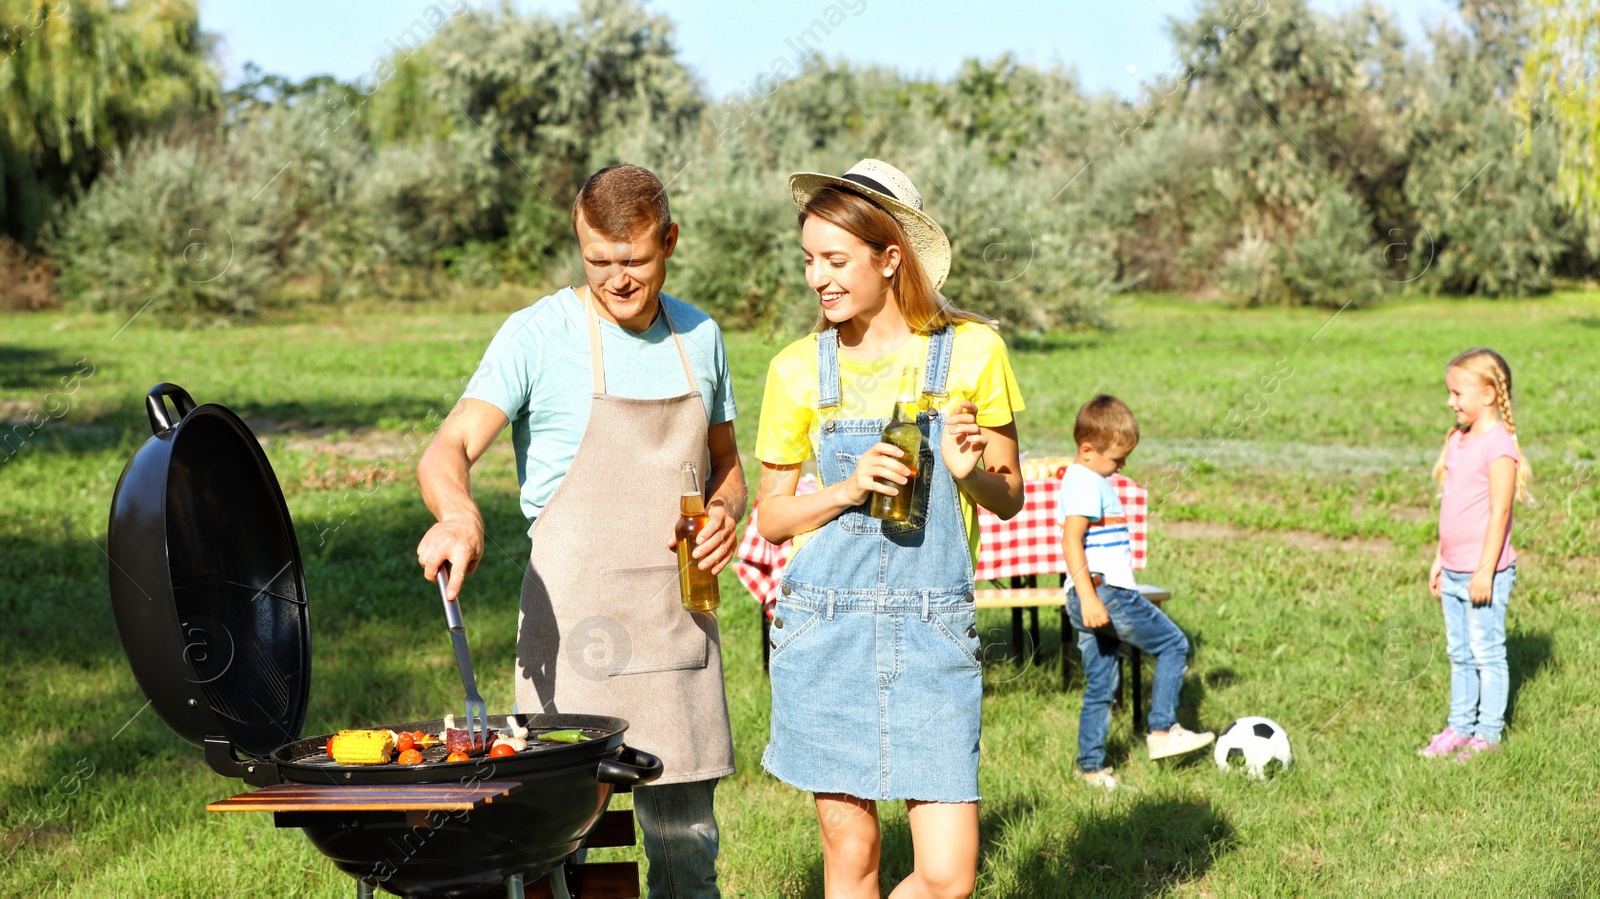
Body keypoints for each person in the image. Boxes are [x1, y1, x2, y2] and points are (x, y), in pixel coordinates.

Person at [414, 164, 745, 897]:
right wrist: (459, 513)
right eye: (598, 261)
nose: (616, 281)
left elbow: (726, 465)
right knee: (555, 860)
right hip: (572, 639)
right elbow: (449, 447)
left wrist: (724, 511)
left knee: (686, 855)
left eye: (634, 261)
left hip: (676, 629)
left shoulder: (702, 335)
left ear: (670, 242)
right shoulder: (539, 333)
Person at [754, 159, 1025, 899]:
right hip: (825, 628)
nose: (818, 278)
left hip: (933, 627)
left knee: (947, 876)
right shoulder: (797, 369)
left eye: (836, 260)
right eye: (809, 259)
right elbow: (771, 517)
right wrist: (843, 488)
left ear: (890, 258)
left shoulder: (974, 353)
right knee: (853, 856)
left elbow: (1010, 496)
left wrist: (969, 473)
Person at [1060, 395, 1213, 791]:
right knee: (1173, 644)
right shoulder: (1087, 482)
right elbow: (1071, 540)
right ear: (1087, 450)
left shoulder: (1088, 478)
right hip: (1103, 592)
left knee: (1101, 685)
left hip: (1089, 593)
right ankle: (1162, 730)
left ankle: (1089, 768)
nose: (1122, 465)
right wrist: (1091, 596)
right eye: (1117, 459)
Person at [1418, 348, 1531, 761]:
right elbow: (1451, 508)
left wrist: (1484, 570)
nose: (1450, 401)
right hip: (1452, 569)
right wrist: (1439, 559)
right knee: (1459, 653)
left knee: (1487, 653)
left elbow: (1501, 513)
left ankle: (1488, 734)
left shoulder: (1498, 446)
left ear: (1487, 395)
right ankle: (1459, 726)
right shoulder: (1457, 439)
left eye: (1457, 392)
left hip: (1486, 572)